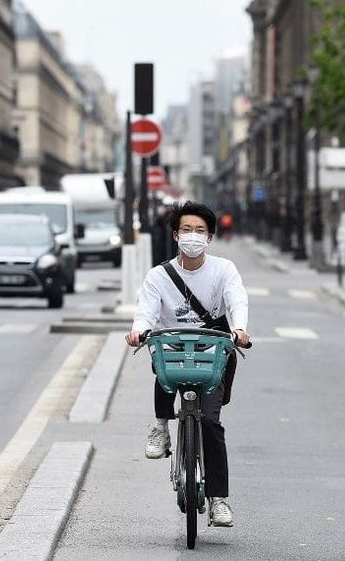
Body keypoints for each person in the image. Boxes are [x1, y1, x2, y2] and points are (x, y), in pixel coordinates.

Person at [124, 201, 251, 528]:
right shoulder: (158, 276)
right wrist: (138, 331)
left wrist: (239, 329)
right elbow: (147, 311)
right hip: (174, 351)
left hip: (214, 352)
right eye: (186, 230)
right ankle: (161, 427)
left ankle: (218, 499)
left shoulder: (224, 270)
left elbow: (237, 299)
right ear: (175, 235)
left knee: (210, 423)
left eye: (199, 231)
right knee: (162, 360)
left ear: (209, 237)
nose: (192, 236)